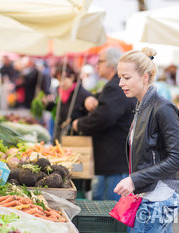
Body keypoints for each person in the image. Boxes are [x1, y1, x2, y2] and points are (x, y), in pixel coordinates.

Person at [114, 47, 179, 232]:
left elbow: (177, 158)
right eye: (120, 77)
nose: (121, 83)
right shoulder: (141, 106)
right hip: (147, 196)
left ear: (145, 77)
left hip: (158, 199)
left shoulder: (163, 108)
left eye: (126, 77)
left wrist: (134, 179)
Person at [72, 47, 136, 201]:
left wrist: (79, 124)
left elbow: (104, 116)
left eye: (100, 61)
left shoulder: (116, 86)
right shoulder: (114, 85)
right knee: (102, 204)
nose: (97, 65)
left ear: (112, 65)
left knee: (109, 210)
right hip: (110, 160)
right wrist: (89, 99)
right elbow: (103, 103)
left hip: (113, 160)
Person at [43, 63, 92, 142]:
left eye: (63, 79)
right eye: (59, 80)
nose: (61, 84)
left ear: (72, 77)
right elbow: (55, 108)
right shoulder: (58, 91)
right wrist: (47, 104)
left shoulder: (84, 95)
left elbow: (91, 119)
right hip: (59, 137)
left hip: (76, 141)